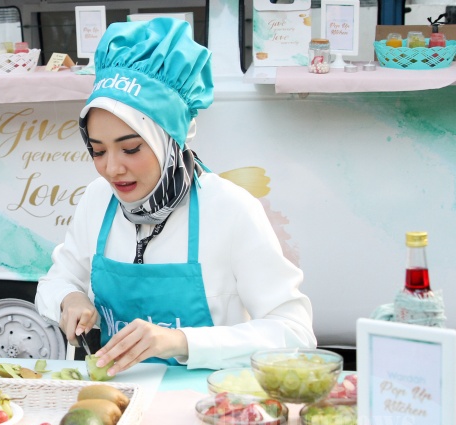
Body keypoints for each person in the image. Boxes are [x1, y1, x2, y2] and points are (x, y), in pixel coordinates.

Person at [35, 18, 316, 375]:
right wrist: (69, 298)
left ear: (168, 141)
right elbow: (57, 280)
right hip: (116, 396)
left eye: (131, 149)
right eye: (98, 150)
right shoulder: (97, 200)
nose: (112, 169)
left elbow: (294, 333)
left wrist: (181, 342)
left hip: (208, 400)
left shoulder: (229, 208)